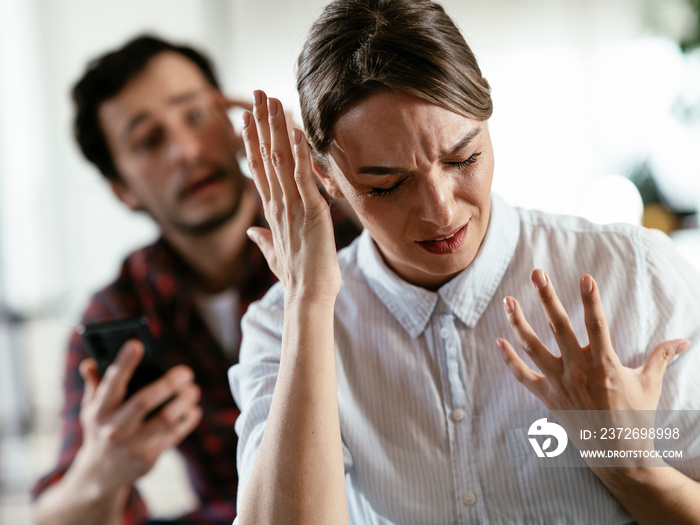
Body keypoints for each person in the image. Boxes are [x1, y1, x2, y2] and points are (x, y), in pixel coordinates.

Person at [229, 0, 700, 523]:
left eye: (463, 159)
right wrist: (310, 302)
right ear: (326, 178)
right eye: (387, 185)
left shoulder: (633, 274)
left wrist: (630, 465)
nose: (441, 210)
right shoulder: (282, 325)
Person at [31, 35, 361, 525]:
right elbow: (48, 517)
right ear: (124, 190)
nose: (185, 150)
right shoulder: (119, 310)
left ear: (232, 124)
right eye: (148, 140)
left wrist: (338, 169)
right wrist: (102, 470)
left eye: (196, 115)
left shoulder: (346, 228)